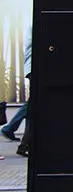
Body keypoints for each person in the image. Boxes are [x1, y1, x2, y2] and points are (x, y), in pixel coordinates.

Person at [1, 30, 31, 158]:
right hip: (36, 67)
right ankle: (12, 129)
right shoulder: (36, 22)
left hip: (34, 67)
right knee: (34, 104)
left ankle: (25, 144)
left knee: (33, 106)